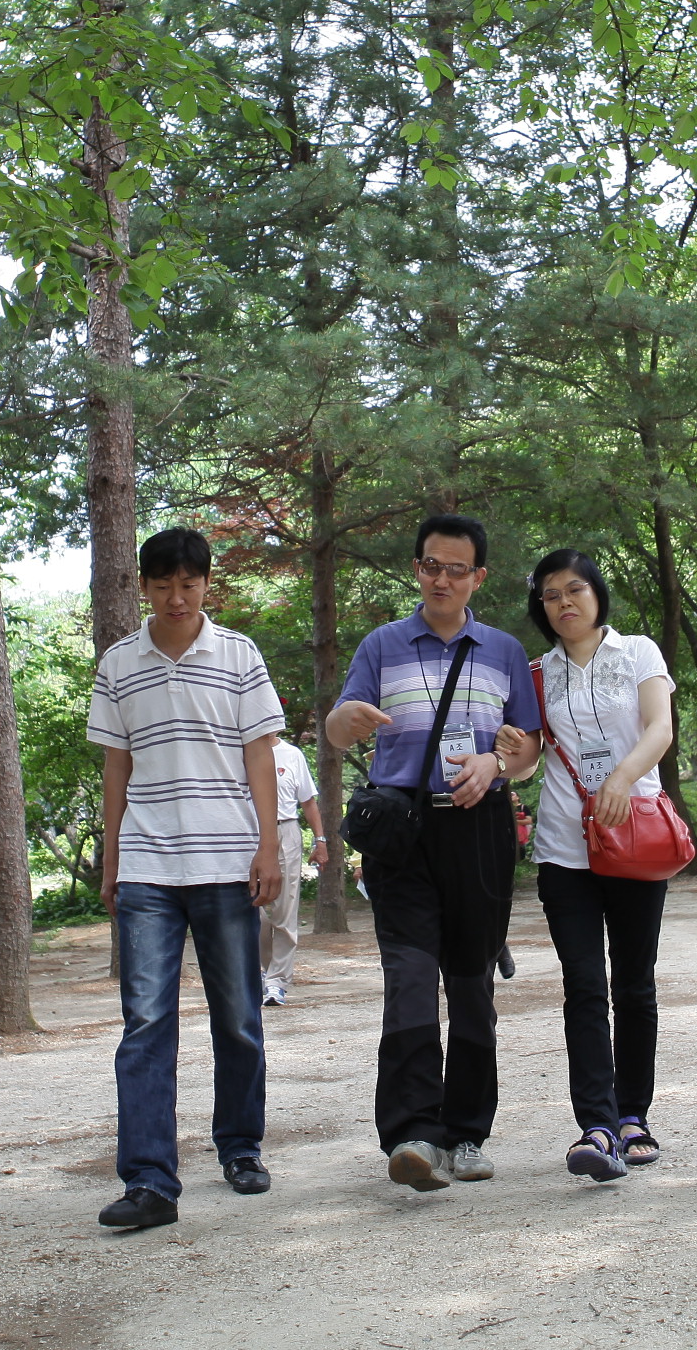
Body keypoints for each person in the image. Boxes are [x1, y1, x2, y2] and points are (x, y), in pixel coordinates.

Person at [325, 512, 542, 1193]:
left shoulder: (504, 650)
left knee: (472, 981)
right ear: (416, 570)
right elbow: (336, 728)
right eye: (430, 566)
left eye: (457, 569)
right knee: (411, 976)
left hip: (479, 831)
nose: (442, 579)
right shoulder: (382, 646)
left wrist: (495, 767)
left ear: (478, 576)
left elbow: (529, 748)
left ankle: (470, 1132)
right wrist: (344, 722)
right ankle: (415, 1132)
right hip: (403, 833)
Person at [89, 528, 285, 1232]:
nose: (177, 597)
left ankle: (240, 1147)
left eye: (189, 584)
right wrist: (111, 858)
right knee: (145, 1023)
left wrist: (270, 846)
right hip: (147, 867)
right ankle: (148, 1180)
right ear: (143, 586)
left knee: (238, 1017)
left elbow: (260, 753)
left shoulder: (238, 655)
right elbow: (116, 767)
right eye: (163, 584)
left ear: (207, 584)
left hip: (227, 863)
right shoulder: (119, 663)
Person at [493, 548, 676, 1182]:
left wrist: (624, 777)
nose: (564, 603)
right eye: (550, 595)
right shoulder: (538, 672)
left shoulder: (639, 654)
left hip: (633, 838)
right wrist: (513, 752)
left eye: (575, 590)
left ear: (597, 595)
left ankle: (634, 1117)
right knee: (583, 986)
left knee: (634, 982)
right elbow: (529, 761)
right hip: (567, 851)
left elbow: (660, 728)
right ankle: (595, 1124)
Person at [260, 728, 328, 1006]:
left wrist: (320, 841)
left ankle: (277, 982)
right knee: (251, 910)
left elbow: (308, 802)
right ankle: (264, 971)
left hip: (286, 830)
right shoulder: (241, 750)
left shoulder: (292, 754)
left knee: (285, 910)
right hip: (249, 833)